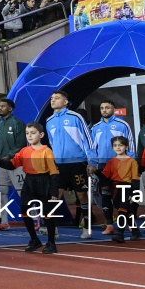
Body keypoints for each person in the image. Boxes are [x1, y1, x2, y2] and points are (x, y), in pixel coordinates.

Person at [0, 123, 60, 253]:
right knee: (25, 211)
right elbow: (11, 165)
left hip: (44, 181)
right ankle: (34, 239)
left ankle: (51, 243)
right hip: (29, 182)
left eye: (33, 133)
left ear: (41, 135)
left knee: (48, 213)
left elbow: (54, 172)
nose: (29, 135)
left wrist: (53, 191)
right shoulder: (24, 151)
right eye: (27, 133)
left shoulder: (47, 151)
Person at [44, 91, 99, 237]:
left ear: (66, 101)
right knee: (55, 194)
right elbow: (51, 143)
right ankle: (52, 229)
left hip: (77, 163)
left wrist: (92, 161)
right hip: (58, 165)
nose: (53, 100)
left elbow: (87, 139)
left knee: (81, 194)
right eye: (52, 98)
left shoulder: (76, 117)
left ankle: (87, 227)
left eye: (56, 98)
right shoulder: (49, 121)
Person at [90, 101, 133, 236]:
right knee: (105, 196)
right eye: (102, 108)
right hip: (103, 166)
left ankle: (131, 225)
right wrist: (92, 163)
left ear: (114, 109)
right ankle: (110, 225)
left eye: (107, 107)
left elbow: (131, 145)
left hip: (120, 165)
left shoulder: (123, 125)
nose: (104, 110)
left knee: (123, 197)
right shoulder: (95, 127)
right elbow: (91, 148)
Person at [0, 98, 25, 231]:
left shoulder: (18, 123)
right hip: (1, 166)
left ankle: (35, 219)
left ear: (10, 109)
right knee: (2, 193)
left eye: (3, 106)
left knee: (23, 192)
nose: (0, 108)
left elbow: (21, 144)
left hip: (16, 164)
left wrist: (10, 156)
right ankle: (4, 221)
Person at [101, 136, 140, 244]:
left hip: (127, 187)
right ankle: (136, 232)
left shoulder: (132, 161)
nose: (118, 147)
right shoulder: (111, 162)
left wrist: (134, 193)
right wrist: (95, 172)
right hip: (115, 188)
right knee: (124, 211)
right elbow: (105, 176)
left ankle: (120, 233)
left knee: (122, 210)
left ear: (126, 146)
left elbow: (135, 179)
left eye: (120, 145)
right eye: (115, 145)